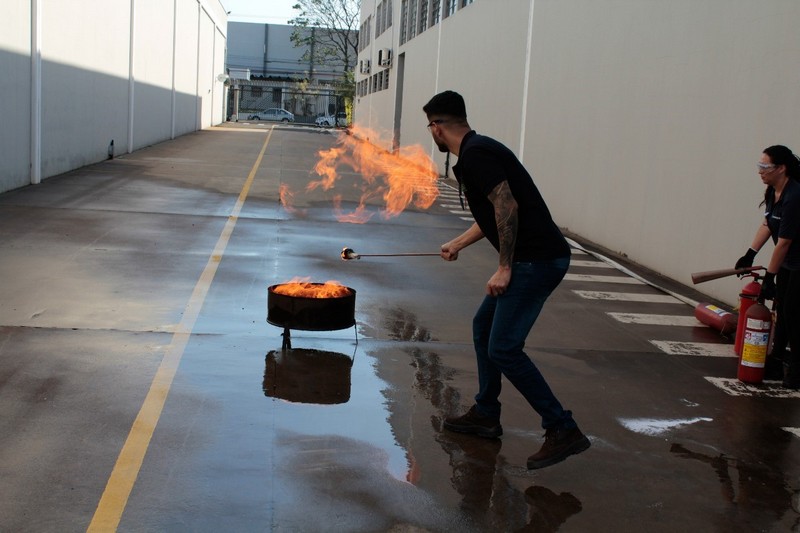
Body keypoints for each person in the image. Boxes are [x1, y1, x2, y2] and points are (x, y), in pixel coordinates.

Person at [423, 90, 590, 469]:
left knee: (504, 348)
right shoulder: (477, 150)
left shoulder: (476, 155)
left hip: (538, 261)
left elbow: (506, 206)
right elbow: (493, 214)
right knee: (483, 327)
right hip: (533, 258)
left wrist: (504, 267)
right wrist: (459, 243)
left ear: (437, 126)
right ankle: (486, 412)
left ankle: (562, 427)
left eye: (429, 127)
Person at [734, 145, 800, 389]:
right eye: (758, 166)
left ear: (781, 168)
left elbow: (783, 243)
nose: (760, 172)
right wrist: (749, 253)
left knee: (793, 315)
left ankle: (797, 371)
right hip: (787, 262)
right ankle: (776, 361)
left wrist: (769, 278)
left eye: (765, 167)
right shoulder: (773, 192)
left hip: (796, 262)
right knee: (781, 312)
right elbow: (768, 224)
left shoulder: (795, 197)